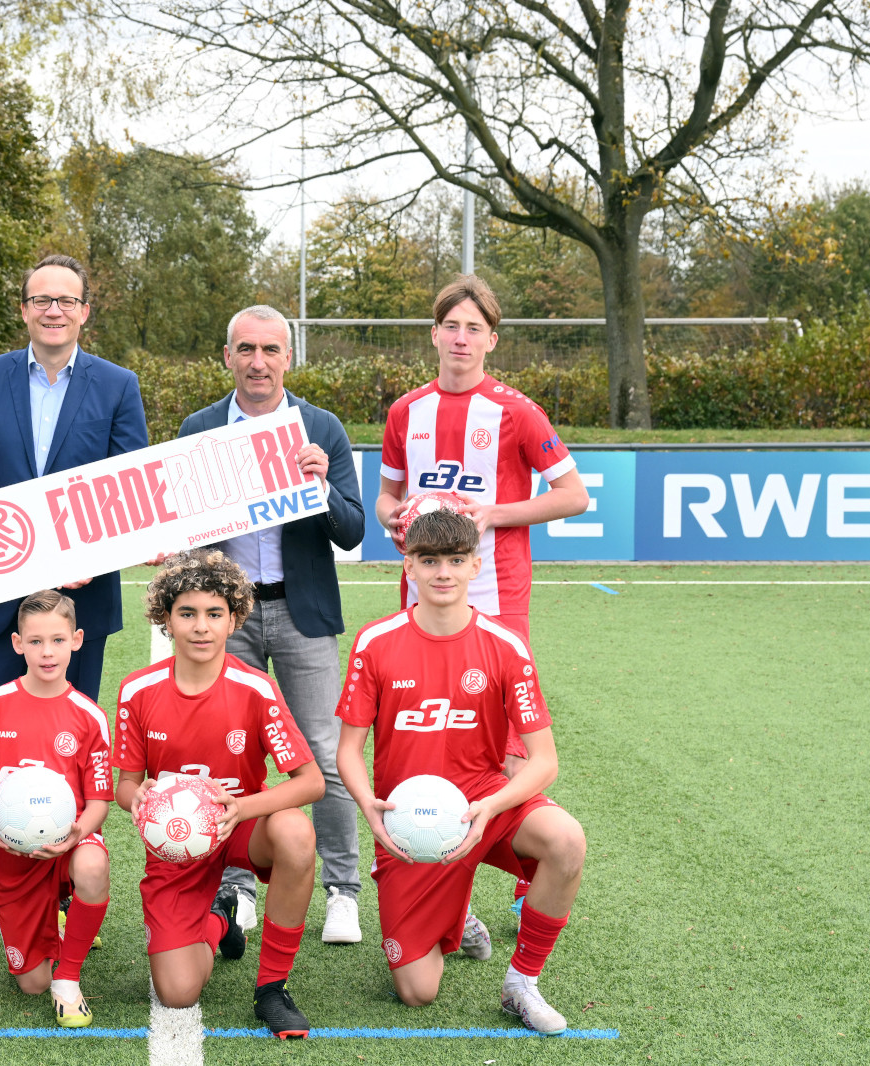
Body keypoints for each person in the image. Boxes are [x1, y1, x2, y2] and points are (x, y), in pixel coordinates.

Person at [0, 253, 147, 933]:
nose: (53, 310)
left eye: (66, 300)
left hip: (81, 603)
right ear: (23, 309)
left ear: (85, 311)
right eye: (40, 299)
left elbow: (131, 491)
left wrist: (94, 555)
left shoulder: (116, 385)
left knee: (68, 746)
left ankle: (57, 880)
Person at [375, 275, 589, 908]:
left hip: (496, 599)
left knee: (507, 750)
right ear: (434, 334)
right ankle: (450, 883)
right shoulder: (405, 411)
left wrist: (494, 513)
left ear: (491, 339)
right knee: (433, 740)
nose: (460, 338)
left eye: (474, 328)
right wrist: (396, 518)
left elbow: (573, 495)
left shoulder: (517, 412)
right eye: (451, 326)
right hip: (423, 603)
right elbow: (388, 496)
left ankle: (527, 873)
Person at [333, 509, 588, 1034]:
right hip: (410, 823)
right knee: (417, 992)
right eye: (429, 561)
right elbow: (347, 752)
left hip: (484, 802)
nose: (442, 572)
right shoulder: (375, 642)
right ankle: (453, 912)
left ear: (476, 564)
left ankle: (521, 983)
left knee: (566, 840)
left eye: (454, 560)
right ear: (408, 567)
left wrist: (491, 806)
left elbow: (544, 761)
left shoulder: (505, 646)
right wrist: (373, 814)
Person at [178, 304, 367, 944]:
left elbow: (352, 530)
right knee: (229, 754)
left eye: (271, 350)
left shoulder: (321, 427)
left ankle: (343, 890)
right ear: (227, 356)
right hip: (226, 616)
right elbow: (180, 526)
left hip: (302, 612)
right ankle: (234, 888)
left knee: (322, 753)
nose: (259, 362)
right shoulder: (199, 428)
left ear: (289, 358)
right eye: (246, 349)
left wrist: (321, 486)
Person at [113, 550, 325, 1039]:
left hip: (242, 828)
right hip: (177, 841)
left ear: (234, 619)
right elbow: (126, 785)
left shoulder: (255, 688)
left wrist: (242, 808)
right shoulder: (136, 690)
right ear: (166, 620)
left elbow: (310, 782)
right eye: (186, 613)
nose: (201, 627)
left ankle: (272, 987)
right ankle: (219, 918)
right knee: (177, 992)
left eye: (214, 614)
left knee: (295, 832)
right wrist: (138, 797)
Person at [0, 590, 112, 1027]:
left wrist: (76, 834)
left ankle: (68, 979)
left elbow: (100, 800)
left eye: (57, 640)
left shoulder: (88, 715)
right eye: (35, 641)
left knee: (91, 865)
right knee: (31, 981)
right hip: (11, 849)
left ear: (77, 640)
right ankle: (51, 916)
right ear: (17, 644)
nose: (47, 652)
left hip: (71, 839)